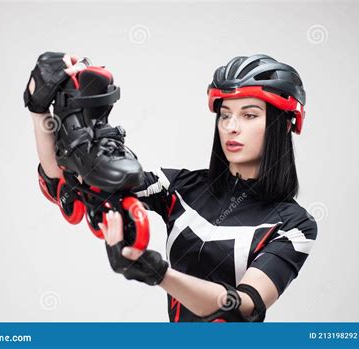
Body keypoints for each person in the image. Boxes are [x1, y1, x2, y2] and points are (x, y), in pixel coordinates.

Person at [25, 52, 318, 322]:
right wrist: (41, 109)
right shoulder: (181, 186)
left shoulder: (295, 225)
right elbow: (68, 182)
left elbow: (243, 305)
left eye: (249, 115)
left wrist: (160, 273)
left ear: (285, 124)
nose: (231, 126)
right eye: (225, 114)